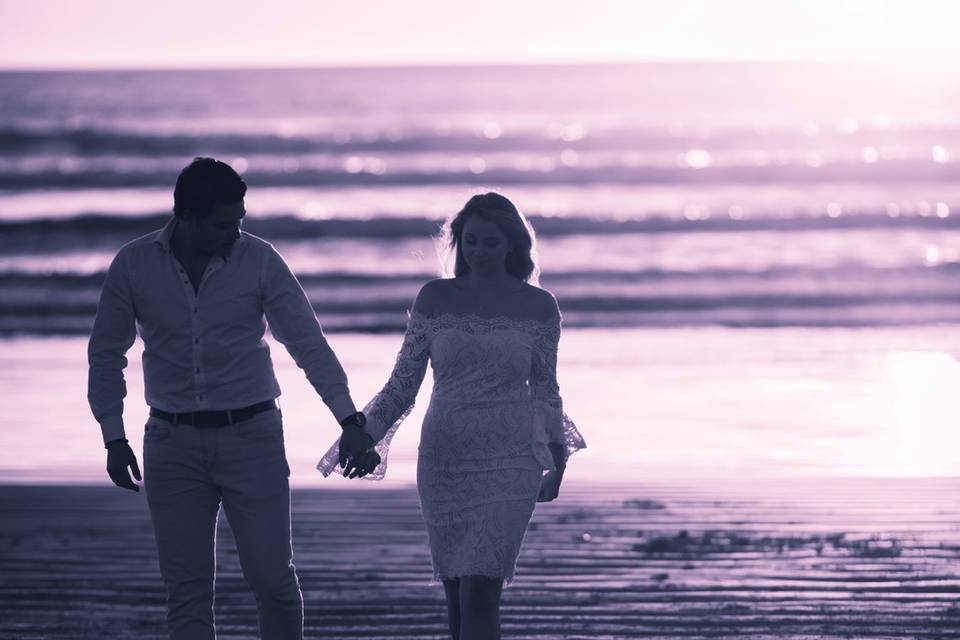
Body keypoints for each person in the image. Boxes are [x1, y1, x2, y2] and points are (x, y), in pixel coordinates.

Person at [87, 157, 372, 640]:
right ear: (186, 216)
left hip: (253, 437)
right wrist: (113, 437)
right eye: (223, 224)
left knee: (273, 581)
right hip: (171, 443)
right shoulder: (134, 265)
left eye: (240, 221)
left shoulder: (259, 260)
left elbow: (307, 343)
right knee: (187, 592)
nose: (235, 233)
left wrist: (349, 419)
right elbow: (106, 353)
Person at [318, 192, 586, 640]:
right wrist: (363, 432)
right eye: (471, 241)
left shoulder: (540, 307)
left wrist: (558, 459)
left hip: (511, 458)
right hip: (446, 458)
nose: (479, 252)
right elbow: (402, 385)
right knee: (457, 593)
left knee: (482, 589)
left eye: (491, 243)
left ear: (513, 247)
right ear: (458, 242)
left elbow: (546, 392)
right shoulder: (434, 298)